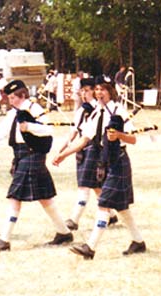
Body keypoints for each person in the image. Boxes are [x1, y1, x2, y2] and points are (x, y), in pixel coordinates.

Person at [0, 80, 73, 252]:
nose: (10, 100)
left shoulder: (35, 109)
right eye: (9, 96)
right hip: (20, 155)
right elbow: (0, 133)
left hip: (32, 154)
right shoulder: (13, 113)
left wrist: (28, 126)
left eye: (13, 97)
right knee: (44, 198)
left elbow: (48, 130)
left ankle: (4, 240)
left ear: (22, 95)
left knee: (15, 198)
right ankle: (64, 232)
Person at [54, 75, 146, 259]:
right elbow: (84, 139)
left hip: (118, 161)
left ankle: (90, 247)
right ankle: (138, 242)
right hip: (104, 161)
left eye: (103, 89)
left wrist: (119, 134)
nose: (99, 92)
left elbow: (133, 139)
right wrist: (64, 154)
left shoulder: (119, 111)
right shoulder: (96, 112)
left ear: (111, 91)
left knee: (104, 204)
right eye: (96, 89)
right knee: (121, 207)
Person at [56, 77, 118, 231]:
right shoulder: (83, 110)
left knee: (85, 185)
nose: (84, 94)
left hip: (94, 148)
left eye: (88, 90)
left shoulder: (102, 108)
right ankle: (111, 214)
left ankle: (74, 220)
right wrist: (63, 149)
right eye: (82, 91)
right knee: (96, 185)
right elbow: (75, 131)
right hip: (83, 147)